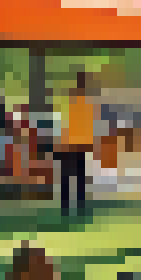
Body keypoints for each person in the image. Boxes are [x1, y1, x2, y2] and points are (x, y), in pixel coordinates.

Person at [57, 71, 96, 220]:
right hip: (76, 144)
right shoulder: (83, 102)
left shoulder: (72, 101)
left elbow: (66, 123)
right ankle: (74, 209)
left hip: (72, 144)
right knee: (75, 177)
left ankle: (70, 209)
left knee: (71, 178)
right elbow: (86, 125)